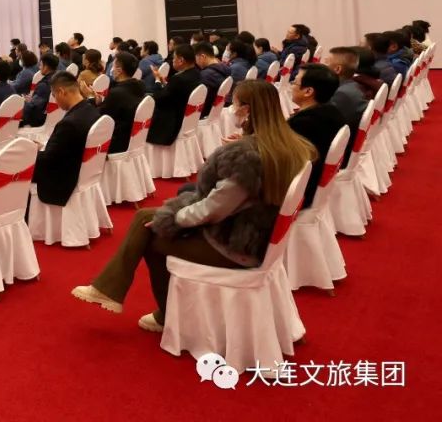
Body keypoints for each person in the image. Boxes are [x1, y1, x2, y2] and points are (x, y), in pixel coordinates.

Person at [71, 80, 315, 332]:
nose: (232, 108)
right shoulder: (288, 145)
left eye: (235, 104)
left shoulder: (247, 157)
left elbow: (213, 208)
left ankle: (163, 313)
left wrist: (173, 220)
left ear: (247, 110)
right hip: (256, 233)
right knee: (144, 217)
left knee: (151, 236)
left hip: (236, 243)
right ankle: (110, 289)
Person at [32, 72, 101, 206]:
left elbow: (47, 160)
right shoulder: (91, 110)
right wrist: (45, 147)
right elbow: (64, 147)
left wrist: (30, 151)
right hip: (80, 170)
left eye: (54, 96)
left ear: (61, 92)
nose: (55, 100)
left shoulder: (69, 124)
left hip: (62, 180)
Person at [287, 64, 347, 207]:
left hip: (297, 193)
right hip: (317, 186)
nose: (291, 86)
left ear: (308, 91)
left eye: (295, 82)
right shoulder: (334, 113)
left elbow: (282, 161)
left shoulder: (303, 124)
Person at [146, 44, 202, 147]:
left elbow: (158, 99)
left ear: (181, 60)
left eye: (174, 58)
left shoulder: (178, 79)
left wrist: (157, 80)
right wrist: (164, 83)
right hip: (186, 118)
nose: (172, 61)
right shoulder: (196, 73)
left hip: (172, 124)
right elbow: (175, 92)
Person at [100, 53, 146, 154]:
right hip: (131, 137)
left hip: (116, 142)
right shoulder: (139, 86)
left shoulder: (117, 93)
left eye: (113, 66)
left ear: (119, 70)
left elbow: (102, 119)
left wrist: (93, 101)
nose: (111, 69)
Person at [325, 46, 369, 131]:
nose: (322, 66)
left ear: (337, 69)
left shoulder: (341, 94)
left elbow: (326, 124)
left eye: (326, 62)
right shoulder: (352, 86)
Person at [21, 53, 59, 127]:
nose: (39, 67)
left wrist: (27, 102)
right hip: (56, 118)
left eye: (41, 65)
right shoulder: (59, 78)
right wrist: (33, 99)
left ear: (46, 67)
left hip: (42, 122)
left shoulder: (43, 85)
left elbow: (35, 109)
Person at [193, 42, 231, 117]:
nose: (196, 62)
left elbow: (201, 102)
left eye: (195, 58)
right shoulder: (226, 68)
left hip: (208, 116)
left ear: (202, 56)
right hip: (223, 112)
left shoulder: (205, 75)